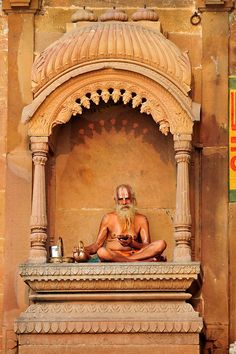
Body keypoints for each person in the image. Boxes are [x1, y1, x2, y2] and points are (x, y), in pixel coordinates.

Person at [80, 184, 167, 262]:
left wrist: (132, 243)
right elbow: (97, 245)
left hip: (135, 255)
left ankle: (128, 260)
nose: (124, 202)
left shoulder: (141, 219)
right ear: (116, 200)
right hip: (114, 255)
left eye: (127, 199)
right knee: (101, 252)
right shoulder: (108, 218)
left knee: (161, 244)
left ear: (133, 199)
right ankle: (136, 262)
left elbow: (146, 246)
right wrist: (83, 249)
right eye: (121, 199)